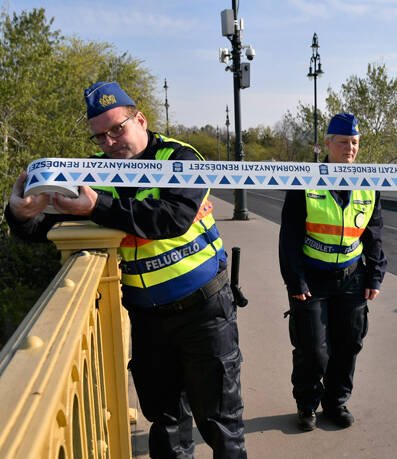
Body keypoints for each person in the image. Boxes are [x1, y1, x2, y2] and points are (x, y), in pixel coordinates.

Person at [5, 82, 246, 458]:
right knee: (166, 427)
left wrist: (96, 209)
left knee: (221, 426)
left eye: (117, 128)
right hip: (148, 321)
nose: (110, 141)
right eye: (100, 136)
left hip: (204, 312)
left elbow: (172, 219)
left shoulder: (179, 157)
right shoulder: (94, 173)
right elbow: (42, 229)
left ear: (140, 120)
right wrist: (20, 215)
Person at [278, 113, 387, 431]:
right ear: (326, 144)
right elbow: (290, 236)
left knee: (349, 343)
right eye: (343, 142)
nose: (349, 148)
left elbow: (375, 232)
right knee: (313, 349)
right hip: (311, 278)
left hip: (352, 277)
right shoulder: (306, 180)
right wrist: (294, 279)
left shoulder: (368, 182)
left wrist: (375, 274)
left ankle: (336, 402)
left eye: (354, 142)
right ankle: (307, 406)